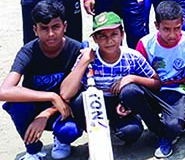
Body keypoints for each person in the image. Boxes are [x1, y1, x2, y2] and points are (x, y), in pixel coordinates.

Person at [0, 0, 82, 160]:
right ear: (35, 30)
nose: (51, 33)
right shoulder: (28, 51)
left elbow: (79, 89)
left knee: (70, 130)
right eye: (44, 28)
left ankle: (60, 138)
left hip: (62, 109)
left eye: (56, 26)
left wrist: (49, 111)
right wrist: (51, 97)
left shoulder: (75, 49)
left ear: (65, 26)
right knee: (16, 104)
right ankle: (33, 152)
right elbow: (3, 91)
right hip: (35, 108)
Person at [61, 12, 162, 147]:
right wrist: (84, 61)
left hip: (121, 104)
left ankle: (155, 131)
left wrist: (132, 78)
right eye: (102, 36)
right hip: (96, 105)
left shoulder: (132, 56)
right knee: (79, 100)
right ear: (95, 39)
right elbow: (66, 93)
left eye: (114, 34)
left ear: (122, 34)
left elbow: (156, 83)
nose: (109, 41)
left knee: (131, 128)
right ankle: (96, 137)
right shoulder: (89, 57)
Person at [136, 0, 185, 157]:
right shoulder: (145, 44)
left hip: (178, 90)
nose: (172, 34)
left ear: (183, 23)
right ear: (156, 25)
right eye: (166, 29)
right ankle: (161, 132)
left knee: (174, 126)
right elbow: (140, 76)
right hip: (154, 89)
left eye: (177, 28)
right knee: (130, 92)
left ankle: (167, 133)